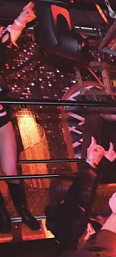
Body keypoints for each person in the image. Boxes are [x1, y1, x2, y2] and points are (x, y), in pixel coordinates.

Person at [0, 2, 39, 233]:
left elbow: (7, 40)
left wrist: (20, 21)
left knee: (11, 170)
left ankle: (23, 210)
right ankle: (2, 214)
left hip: (1, 119)